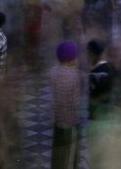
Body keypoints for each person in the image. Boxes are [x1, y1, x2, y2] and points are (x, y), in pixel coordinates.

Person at [50, 41, 81, 169]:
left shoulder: (52, 72)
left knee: (57, 156)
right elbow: (76, 101)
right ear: (72, 57)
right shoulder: (74, 75)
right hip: (71, 123)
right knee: (70, 157)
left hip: (58, 122)